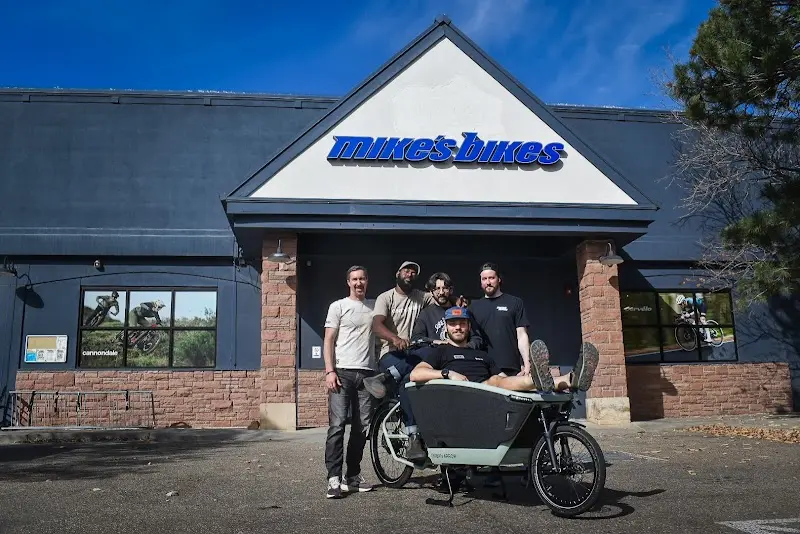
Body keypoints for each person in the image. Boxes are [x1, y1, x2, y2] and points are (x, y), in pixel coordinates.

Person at [362, 260, 434, 461]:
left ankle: (413, 438)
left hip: (413, 355)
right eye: (406, 270)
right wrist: (395, 338)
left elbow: (440, 298)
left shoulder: (421, 297)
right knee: (408, 372)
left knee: (407, 383)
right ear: (398, 273)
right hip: (390, 353)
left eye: (413, 271)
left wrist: (460, 300)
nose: (410, 274)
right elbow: (376, 326)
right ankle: (385, 375)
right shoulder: (386, 298)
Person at [322, 265, 377, 499]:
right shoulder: (338, 306)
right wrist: (329, 371)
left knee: (362, 428)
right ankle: (333, 478)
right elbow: (328, 341)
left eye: (362, 278)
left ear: (367, 281)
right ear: (348, 282)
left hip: (367, 375)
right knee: (337, 426)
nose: (359, 283)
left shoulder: (376, 307)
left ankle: (352, 476)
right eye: (354, 279)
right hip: (342, 373)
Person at [469, 263, 532, 377]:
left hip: (510, 366)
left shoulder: (515, 303)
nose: (488, 282)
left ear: (499, 279)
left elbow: (522, 335)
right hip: (483, 366)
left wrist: (527, 364)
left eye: (491, 278)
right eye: (484, 279)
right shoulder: (473, 307)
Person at [411, 272, 483, 349]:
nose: (441, 292)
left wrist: (465, 347)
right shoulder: (426, 314)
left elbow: (477, 339)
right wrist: (439, 343)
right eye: (437, 289)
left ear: (451, 290)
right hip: (437, 357)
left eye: (445, 288)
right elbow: (417, 339)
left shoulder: (462, 310)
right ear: (431, 292)